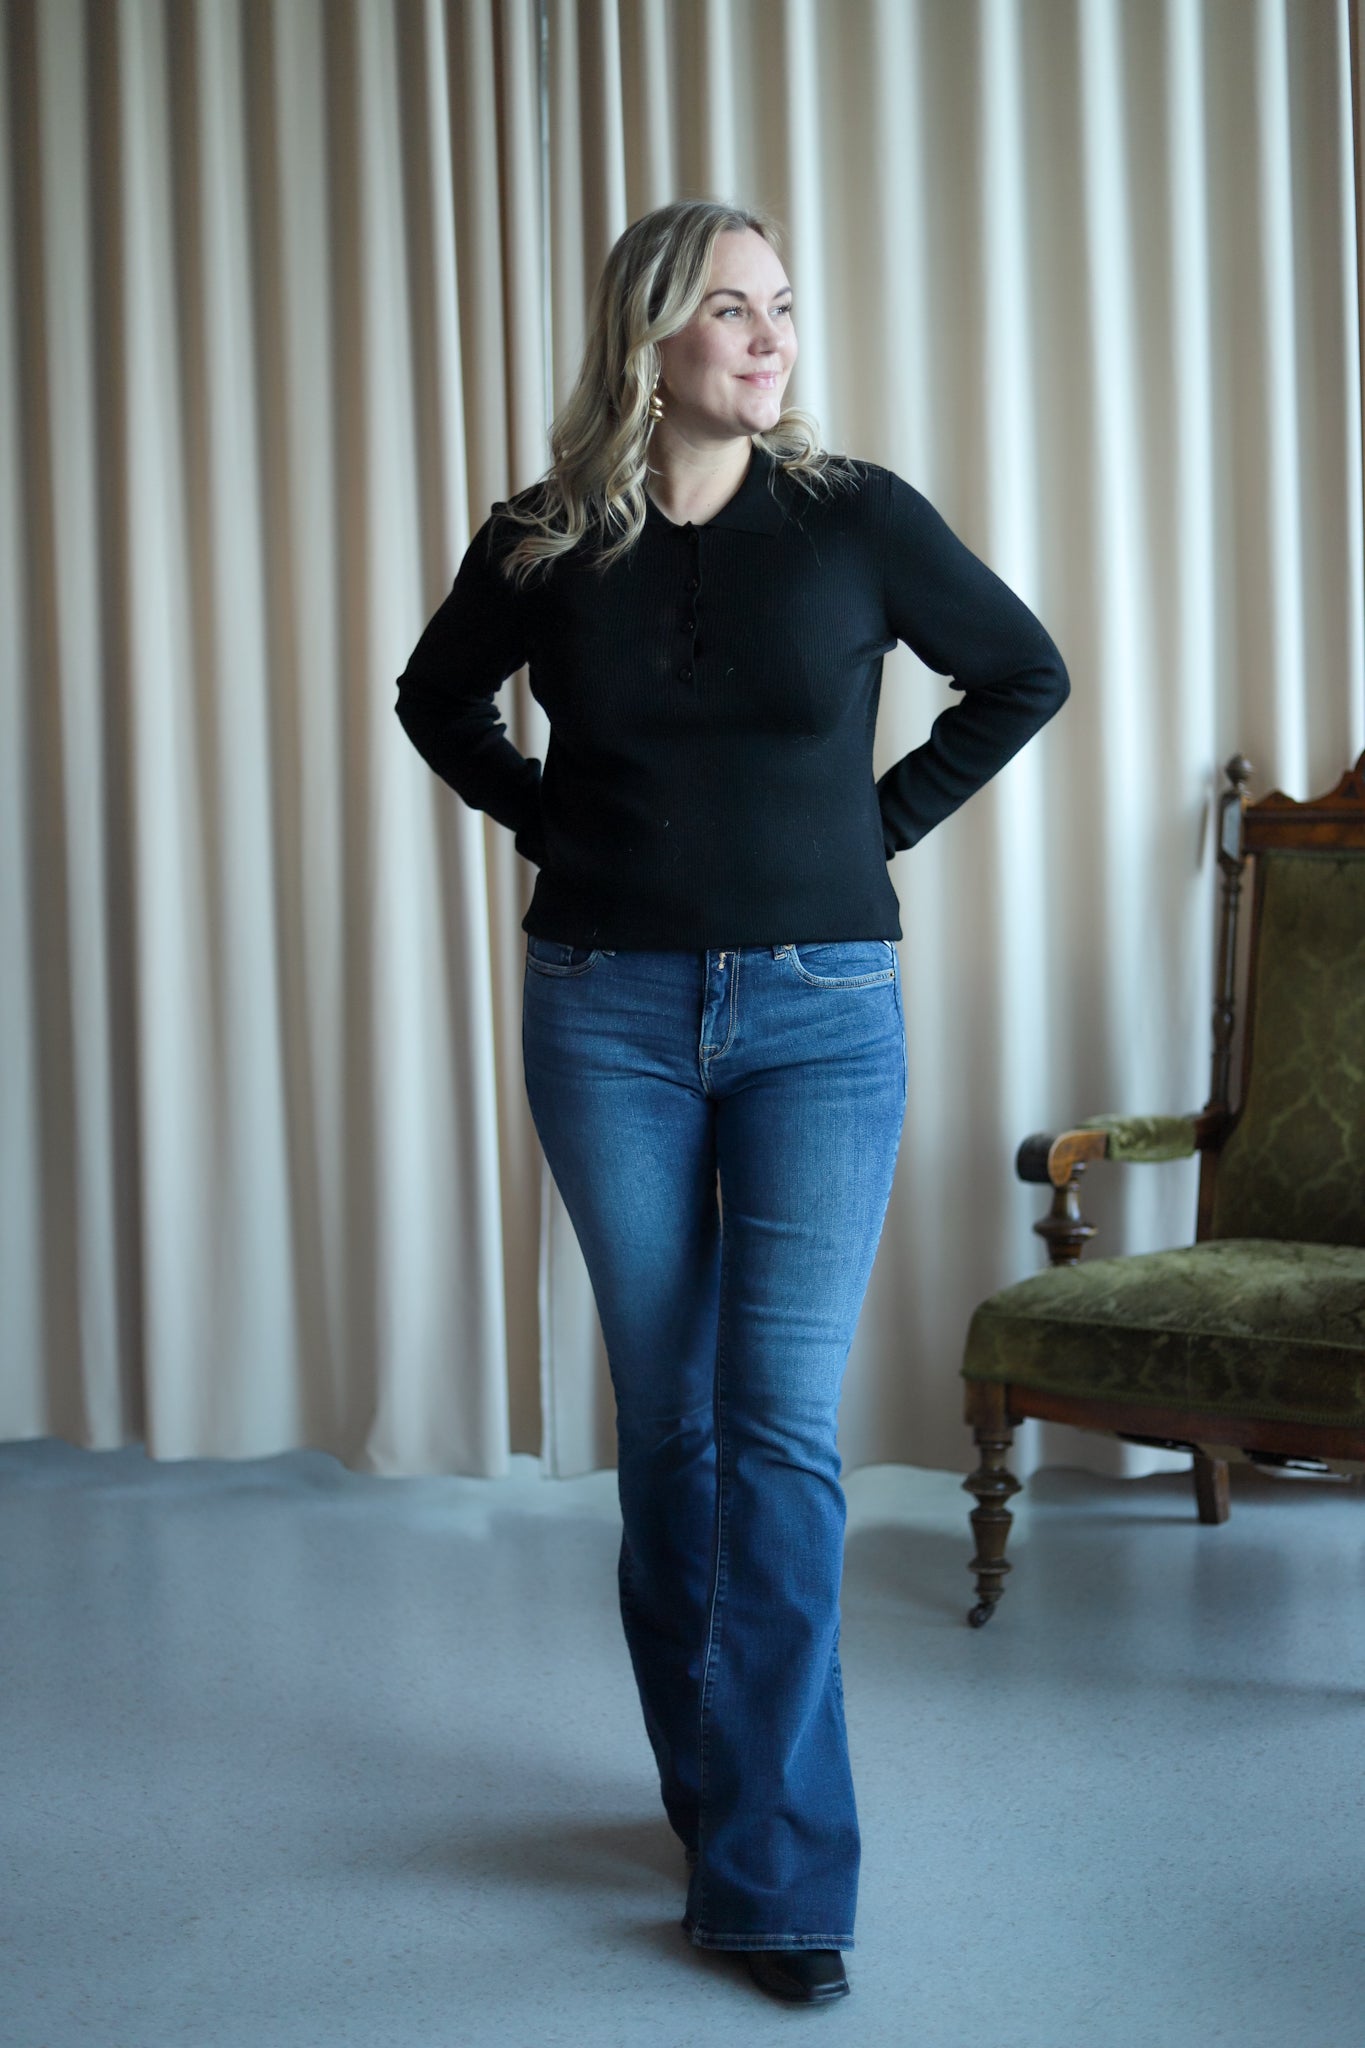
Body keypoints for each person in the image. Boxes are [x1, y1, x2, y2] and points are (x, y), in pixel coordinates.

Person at [394, 198, 1069, 2006]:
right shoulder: (543, 537)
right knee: (675, 1433)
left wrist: (872, 829)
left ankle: (776, 1872)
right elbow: (437, 702)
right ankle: (718, 1792)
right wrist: (554, 825)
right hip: (603, 1014)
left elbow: (1023, 672)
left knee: (774, 1433)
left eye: (781, 308)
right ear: (648, 340)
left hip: (820, 1020)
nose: (770, 340)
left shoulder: (855, 516)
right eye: (730, 310)